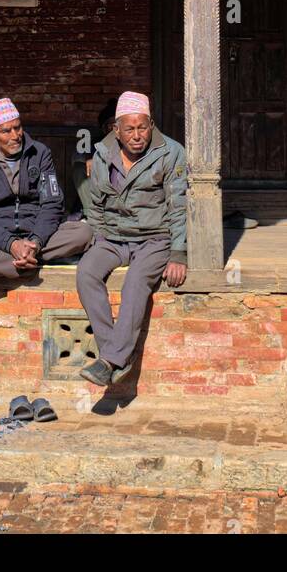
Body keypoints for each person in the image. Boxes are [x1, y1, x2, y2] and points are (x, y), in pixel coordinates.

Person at [76, 91, 187, 387]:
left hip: (154, 238)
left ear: (151, 124)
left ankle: (110, 360)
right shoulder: (103, 153)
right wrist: (99, 237)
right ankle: (114, 355)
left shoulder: (170, 152)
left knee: (136, 282)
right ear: (117, 130)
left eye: (143, 127)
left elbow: (178, 206)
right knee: (86, 272)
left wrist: (178, 253)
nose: (137, 135)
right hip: (113, 237)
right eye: (129, 129)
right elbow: (95, 204)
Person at [0, 97, 91, 279]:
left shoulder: (39, 153)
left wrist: (35, 241)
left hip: (38, 235)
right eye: (6, 131)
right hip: (1, 239)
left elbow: (52, 204)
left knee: (83, 233)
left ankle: (22, 261)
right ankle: (33, 262)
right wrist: (11, 244)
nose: (15, 135)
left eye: (18, 127)